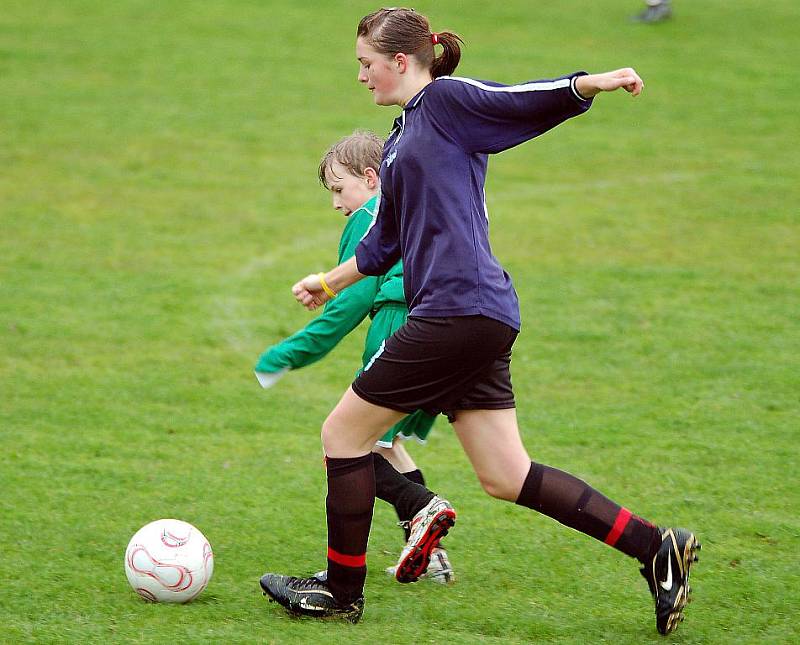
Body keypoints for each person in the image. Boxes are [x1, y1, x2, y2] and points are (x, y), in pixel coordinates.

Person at [260, 7, 700, 635]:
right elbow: (385, 241)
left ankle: (340, 591)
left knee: (343, 437)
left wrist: (590, 83)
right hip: (477, 313)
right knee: (505, 475)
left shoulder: (445, 102)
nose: (360, 76)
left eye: (366, 63)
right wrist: (328, 282)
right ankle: (657, 547)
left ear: (402, 61)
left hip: (456, 310)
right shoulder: (403, 134)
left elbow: (516, 100)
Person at [254, 130, 454, 584]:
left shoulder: (370, 219)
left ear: (370, 177)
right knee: (384, 442)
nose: (336, 204)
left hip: (399, 324)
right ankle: (430, 552)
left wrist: (285, 355)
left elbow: (351, 302)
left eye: (339, 188)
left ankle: (420, 508)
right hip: (442, 324)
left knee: (343, 446)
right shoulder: (410, 210)